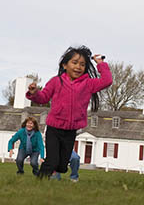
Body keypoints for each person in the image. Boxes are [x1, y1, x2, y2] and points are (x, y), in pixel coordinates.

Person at [27, 46, 112, 178]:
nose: (78, 67)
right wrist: (34, 93)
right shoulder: (56, 81)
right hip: (54, 129)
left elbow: (107, 81)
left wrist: (100, 63)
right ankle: (40, 181)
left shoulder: (88, 84)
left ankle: (48, 173)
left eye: (82, 64)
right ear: (65, 65)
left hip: (71, 131)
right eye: (75, 63)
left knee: (62, 166)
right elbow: (43, 98)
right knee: (52, 161)